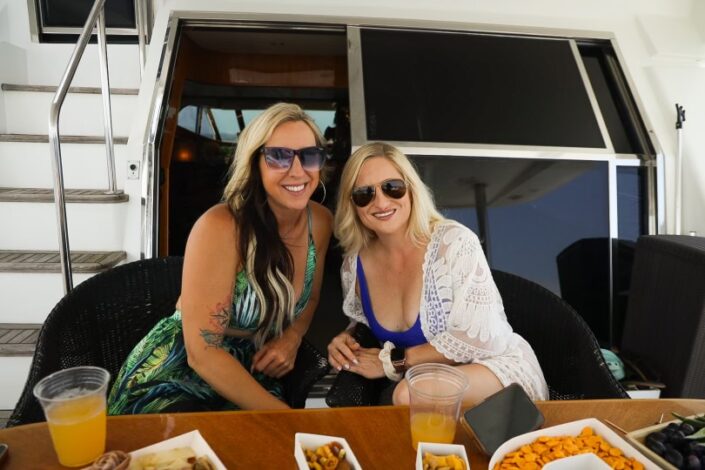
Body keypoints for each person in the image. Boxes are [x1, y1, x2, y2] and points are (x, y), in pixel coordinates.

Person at [108, 103, 333, 414]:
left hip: (252, 368)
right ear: (255, 163)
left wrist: (292, 337)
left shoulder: (319, 222)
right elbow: (201, 353)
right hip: (176, 374)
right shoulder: (221, 226)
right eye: (279, 156)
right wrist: (287, 420)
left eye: (309, 155)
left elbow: (312, 297)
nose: (297, 171)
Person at [327, 142, 548, 405]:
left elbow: (481, 340)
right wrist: (347, 341)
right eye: (364, 194)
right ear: (352, 204)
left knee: (408, 393)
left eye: (392, 187)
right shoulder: (354, 265)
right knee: (410, 393)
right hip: (423, 387)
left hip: (496, 372)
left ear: (411, 189)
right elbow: (363, 324)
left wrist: (394, 361)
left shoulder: (455, 242)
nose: (381, 202)